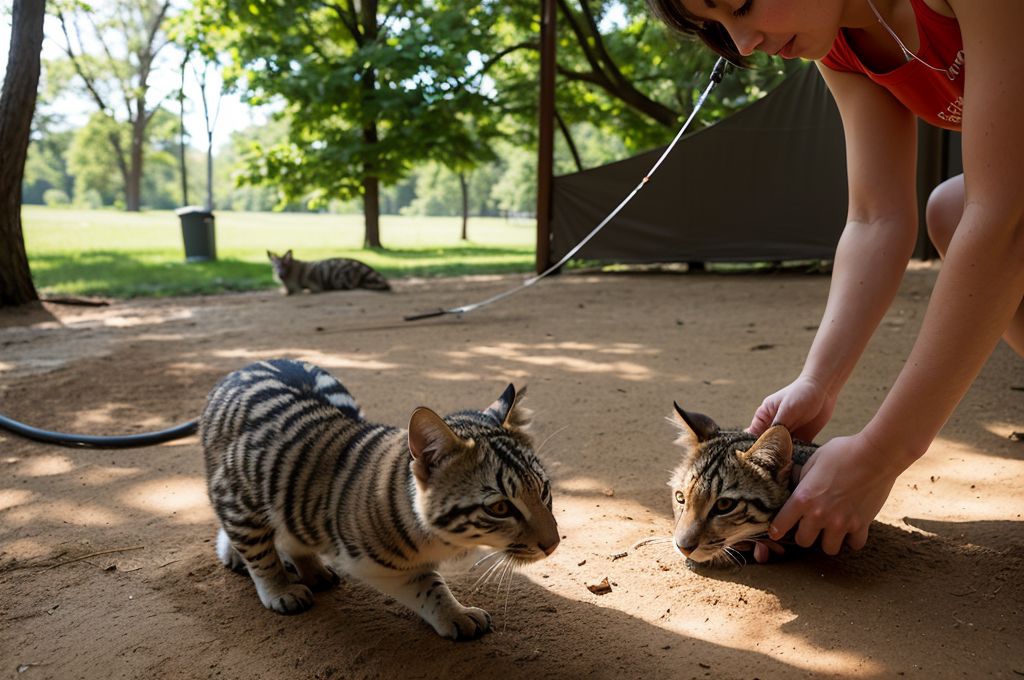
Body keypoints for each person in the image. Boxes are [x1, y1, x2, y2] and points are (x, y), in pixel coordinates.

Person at [647, 0, 1024, 562]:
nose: (743, 42)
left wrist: (882, 453)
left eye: (744, 4)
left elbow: (1006, 218)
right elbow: (876, 219)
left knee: (964, 206)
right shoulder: (838, 37)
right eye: (719, 26)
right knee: (949, 208)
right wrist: (819, 381)